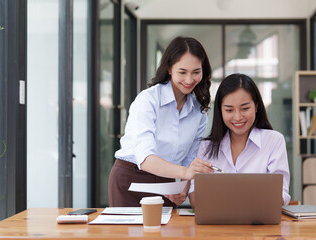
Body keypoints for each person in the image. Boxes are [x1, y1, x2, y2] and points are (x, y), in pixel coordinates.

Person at [108, 36, 214, 207]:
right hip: (131, 179)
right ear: (169, 69)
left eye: (196, 72)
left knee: (167, 234)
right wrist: (185, 173)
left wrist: (184, 187)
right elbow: (145, 158)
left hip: (167, 182)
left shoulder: (198, 113)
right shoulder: (148, 100)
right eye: (182, 72)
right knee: (129, 234)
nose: (189, 80)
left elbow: (189, 158)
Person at [189, 73, 291, 207]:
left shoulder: (274, 141)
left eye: (245, 108)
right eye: (229, 110)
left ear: (256, 106)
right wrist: (193, 176)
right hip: (216, 224)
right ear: (220, 111)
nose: (237, 117)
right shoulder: (206, 146)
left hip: (260, 224)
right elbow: (196, 201)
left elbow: (280, 194)